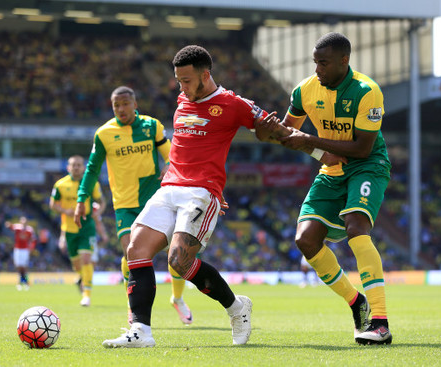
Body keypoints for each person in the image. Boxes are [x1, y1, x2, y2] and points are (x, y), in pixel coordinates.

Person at [100, 45, 285, 348]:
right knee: (135, 249)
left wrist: (291, 137)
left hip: (200, 192)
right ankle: (141, 332)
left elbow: (270, 129)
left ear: (205, 75)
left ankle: (237, 309)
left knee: (179, 262)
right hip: (169, 187)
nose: (181, 87)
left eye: (186, 80)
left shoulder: (232, 103)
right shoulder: (183, 100)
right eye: (178, 80)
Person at [258, 32, 393, 345]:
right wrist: (270, 131)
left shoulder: (367, 91)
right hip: (331, 170)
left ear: (344, 61)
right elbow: (290, 132)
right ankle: (355, 302)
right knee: (305, 240)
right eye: (315, 62)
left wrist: (311, 141)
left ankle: (381, 322)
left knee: (357, 226)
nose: (317, 69)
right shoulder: (305, 90)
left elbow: (361, 148)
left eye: (324, 62)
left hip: (367, 165)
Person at [73, 86, 194, 326]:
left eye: (125, 103)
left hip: (155, 202)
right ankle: (133, 306)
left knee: (178, 255)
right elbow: (92, 169)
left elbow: (172, 155)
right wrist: (81, 199)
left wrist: (170, 165)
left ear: (134, 104)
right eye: (116, 105)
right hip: (125, 206)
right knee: (131, 254)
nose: (121, 109)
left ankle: (177, 299)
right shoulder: (104, 134)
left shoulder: (151, 126)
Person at [50, 155, 106, 307]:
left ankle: (86, 295)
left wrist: (98, 212)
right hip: (69, 229)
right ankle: (82, 278)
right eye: (73, 165)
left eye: (79, 165)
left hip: (86, 226)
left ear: (83, 167)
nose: (76, 167)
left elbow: (102, 202)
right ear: (68, 167)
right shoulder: (60, 185)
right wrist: (64, 210)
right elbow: (53, 204)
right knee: (76, 265)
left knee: (86, 259)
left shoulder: (91, 183)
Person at [5, 216, 36, 291]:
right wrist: (8, 224)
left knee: (24, 267)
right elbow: (11, 227)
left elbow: (33, 240)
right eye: (22, 221)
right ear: (20, 222)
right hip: (18, 249)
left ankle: (23, 282)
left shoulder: (29, 230)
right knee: (18, 266)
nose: (24, 223)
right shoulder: (18, 228)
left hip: (25, 250)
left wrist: (31, 248)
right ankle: (24, 281)